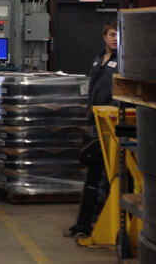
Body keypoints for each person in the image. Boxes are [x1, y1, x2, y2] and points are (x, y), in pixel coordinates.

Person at [66, 21, 119, 238]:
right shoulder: (99, 59)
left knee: (107, 171)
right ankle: (88, 217)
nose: (115, 39)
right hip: (95, 120)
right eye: (112, 35)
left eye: (118, 36)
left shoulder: (123, 61)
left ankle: (99, 215)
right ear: (104, 37)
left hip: (112, 121)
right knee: (94, 167)